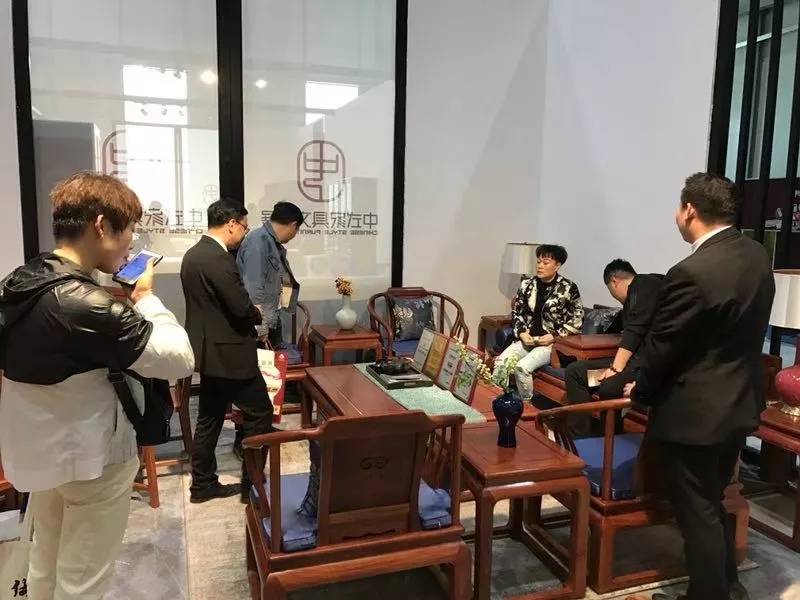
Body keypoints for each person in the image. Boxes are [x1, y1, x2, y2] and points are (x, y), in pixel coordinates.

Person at [0, 172, 195, 600]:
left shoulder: (19, 282)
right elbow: (179, 357)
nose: (131, 243)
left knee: (44, 564)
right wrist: (145, 297)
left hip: (39, 451)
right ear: (102, 226)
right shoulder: (89, 304)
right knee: (83, 580)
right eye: (128, 230)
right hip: (91, 458)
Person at [624, 173, 774, 600]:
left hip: (694, 414)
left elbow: (663, 348)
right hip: (738, 404)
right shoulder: (756, 254)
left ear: (689, 209)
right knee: (712, 501)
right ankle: (729, 585)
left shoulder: (691, 272)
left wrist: (638, 395)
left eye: (678, 207)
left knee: (697, 513)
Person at [181, 198, 275, 504]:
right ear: (231, 224)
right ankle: (252, 487)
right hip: (232, 354)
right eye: (244, 227)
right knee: (259, 413)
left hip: (208, 352)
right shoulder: (219, 259)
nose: (244, 233)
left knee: (209, 418)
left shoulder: (193, 255)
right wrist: (256, 312)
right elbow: (239, 306)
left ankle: (202, 485)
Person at [563, 259, 664, 437]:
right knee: (575, 372)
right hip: (631, 363)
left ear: (614, 281)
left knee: (609, 387)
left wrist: (615, 368)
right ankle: (580, 438)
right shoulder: (632, 301)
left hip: (647, 365)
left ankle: (610, 440)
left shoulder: (643, 284)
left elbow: (635, 330)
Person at [233, 201, 302, 459]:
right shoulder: (259, 242)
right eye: (297, 230)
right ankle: (245, 440)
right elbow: (253, 288)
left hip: (270, 320)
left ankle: (262, 430)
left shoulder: (269, 242)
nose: (295, 234)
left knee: (268, 383)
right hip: (258, 324)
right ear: (293, 225)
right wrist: (260, 327)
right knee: (253, 387)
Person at [493, 244, 583, 400]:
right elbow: (517, 313)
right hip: (527, 339)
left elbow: (577, 321)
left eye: (545, 262)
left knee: (522, 368)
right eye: (538, 262)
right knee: (501, 363)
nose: (540, 266)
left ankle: (525, 405)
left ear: (557, 265)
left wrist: (554, 336)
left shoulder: (568, 288)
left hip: (550, 344)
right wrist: (522, 332)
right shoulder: (527, 284)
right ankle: (500, 401)